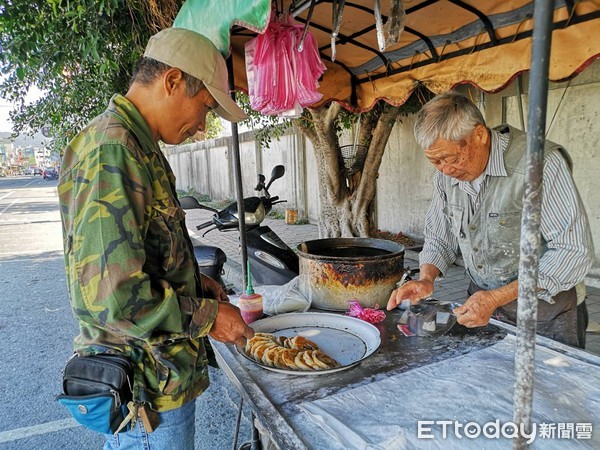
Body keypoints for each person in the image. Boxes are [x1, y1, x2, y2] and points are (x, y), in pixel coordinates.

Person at [58, 28, 254, 449]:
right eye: (204, 108)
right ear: (172, 81)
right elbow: (116, 300)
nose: (202, 128)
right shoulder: (113, 151)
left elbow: (144, 255)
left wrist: (196, 285)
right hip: (145, 393)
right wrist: (208, 317)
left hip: (161, 380)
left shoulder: (139, 146)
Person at [387, 91, 594, 349]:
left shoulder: (539, 165)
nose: (445, 170)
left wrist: (498, 297)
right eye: (434, 161)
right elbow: (440, 236)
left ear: (480, 135)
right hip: (481, 306)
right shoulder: (445, 177)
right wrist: (426, 279)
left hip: (545, 313)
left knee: (547, 388)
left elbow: (573, 251)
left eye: (450, 159)